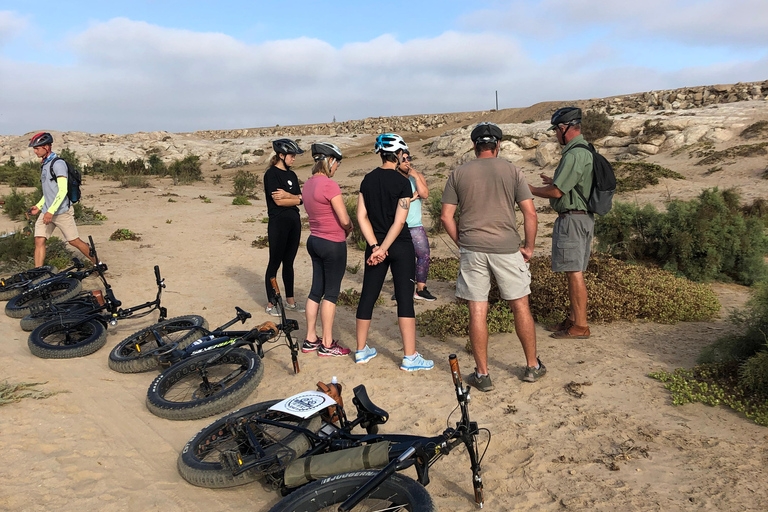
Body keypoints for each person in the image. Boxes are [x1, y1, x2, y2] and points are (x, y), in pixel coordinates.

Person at [440, 122, 544, 390]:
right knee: (520, 306)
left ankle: (483, 374)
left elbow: (446, 216)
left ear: (474, 146)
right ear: (498, 145)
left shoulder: (458, 173)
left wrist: (462, 241)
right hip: (507, 248)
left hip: (473, 248)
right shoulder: (512, 170)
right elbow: (530, 213)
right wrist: (529, 247)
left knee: (477, 310)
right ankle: (532, 366)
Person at [355, 133, 433, 372]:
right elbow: (400, 222)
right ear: (398, 154)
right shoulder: (402, 182)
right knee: (404, 298)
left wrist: (376, 247)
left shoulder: (367, 180)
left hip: (375, 245)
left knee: (368, 295)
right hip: (399, 245)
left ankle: (360, 351)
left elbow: (361, 216)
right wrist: (385, 248)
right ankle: (409, 357)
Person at [529, 107, 593, 339]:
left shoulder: (575, 153)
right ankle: (574, 319)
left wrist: (532, 189)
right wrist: (553, 181)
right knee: (573, 271)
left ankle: (580, 326)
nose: (556, 134)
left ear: (566, 128)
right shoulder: (583, 150)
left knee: (574, 272)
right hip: (581, 218)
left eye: (557, 129)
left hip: (573, 219)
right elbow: (569, 184)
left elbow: (557, 192)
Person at [300, 143, 354, 357]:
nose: (337, 167)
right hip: (333, 244)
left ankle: (311, 338)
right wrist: (350, 227)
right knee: (331, 294)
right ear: (330, 161)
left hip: (315, 240)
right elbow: (343, 218)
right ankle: (328, 344)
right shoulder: (330, 186)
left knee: (316, 291)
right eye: (337, 163)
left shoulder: (307, 184)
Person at [28, 132, 96, 267]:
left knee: (73, 241)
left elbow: (63, 190)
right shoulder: (45, 165)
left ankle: (97, 263)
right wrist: (40, 206)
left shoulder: (58, 164)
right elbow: (48, 191)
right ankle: (38, 273)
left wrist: (51, 211)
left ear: (47, 147)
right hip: (48, 211)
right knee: (39, 240)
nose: (35, 151)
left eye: (37, 148)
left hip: (61, 211)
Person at [263, 138, 305, 316]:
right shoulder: (271, 174)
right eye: (291, 155)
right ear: (281, 155)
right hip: (278, 224)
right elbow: (278, 201)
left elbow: (302, 199)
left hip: (294, 223)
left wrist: (291, 196)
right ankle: (272, 303)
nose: (294, 158)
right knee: (275, 262)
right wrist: (295, 198)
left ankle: (290, 302)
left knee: (289, 263)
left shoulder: (292, 175)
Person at [400, 150, 436, 301]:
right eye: (404, 159)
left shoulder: (417, 177)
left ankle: (421, 289)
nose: (407, 161)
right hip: (399, 224)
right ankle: (401, 289)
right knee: (402, 258)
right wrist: (411, 198)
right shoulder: (394, 178)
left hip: (415, 225)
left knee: (424, 255)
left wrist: (416, 177)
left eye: (409, 158)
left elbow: (425, 194)